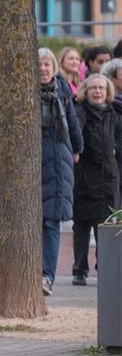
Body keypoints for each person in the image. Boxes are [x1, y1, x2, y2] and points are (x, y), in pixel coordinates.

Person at [37, 48, 84, 296]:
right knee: (32, 224)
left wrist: (77, 148)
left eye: (47, 64)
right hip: (34, 161)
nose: (43, 69)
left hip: (57, 159)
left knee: (50, 222)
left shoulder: (62, 90)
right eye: (39, 64)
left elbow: (73, 122)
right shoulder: (25, 92)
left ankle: (47, 276)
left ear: (54, 67)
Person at [71, 74, 120, 286]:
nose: (97, 92)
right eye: (93, 88)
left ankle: (105, 267)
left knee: (107, 225)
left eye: (101, 88)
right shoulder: (80, 113)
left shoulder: (114, 114)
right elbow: (76, 139)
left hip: (109, 177)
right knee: (82, 226)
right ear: (86, 91)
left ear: (107, 91)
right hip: (84, 177)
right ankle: (79, 269)